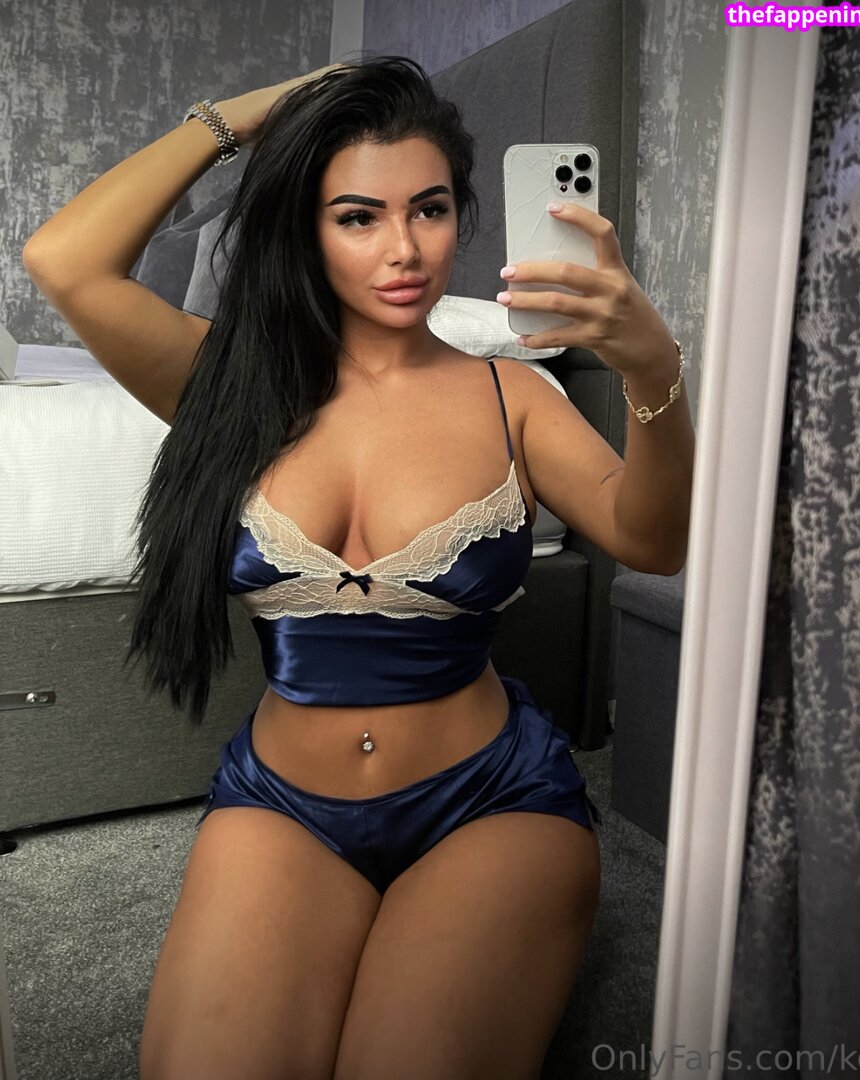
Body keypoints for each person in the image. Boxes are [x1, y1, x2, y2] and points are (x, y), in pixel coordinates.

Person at [23, 56, 693, 1080]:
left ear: (460, 215)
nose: (403, 248)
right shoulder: (225, 382)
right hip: (284, 804)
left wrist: (653, 369)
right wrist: (251, 115)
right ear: (306, 228)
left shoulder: (511, 394)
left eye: (429, 209)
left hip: (490, 800)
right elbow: (64, 260)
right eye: (357, 217)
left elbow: (653, 540)